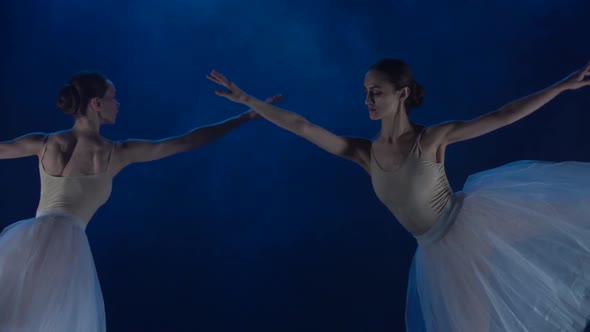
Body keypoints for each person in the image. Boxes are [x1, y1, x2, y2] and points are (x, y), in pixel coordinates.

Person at [206, 59, 590, 331]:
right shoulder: (363, 153)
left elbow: (503, 115)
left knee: (576, 216)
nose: (368, 100)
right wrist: (249, 101)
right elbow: (302, 126)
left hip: (471, 225)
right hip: (438, 254)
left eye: (376, 92)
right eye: (365, 93)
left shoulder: (431, 139)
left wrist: (561, 86)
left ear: (402, 93)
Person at [0, 71, 282, 331]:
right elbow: (185, 142)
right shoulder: (117, 153)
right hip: (68, 248)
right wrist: (243, 118)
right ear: (96, 103)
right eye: (113, 97)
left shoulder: (44, 142)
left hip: (26, 241)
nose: (118, 103)